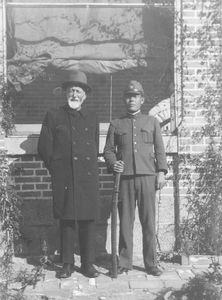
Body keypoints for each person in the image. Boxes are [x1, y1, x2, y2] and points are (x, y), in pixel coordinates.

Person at [38, 70, 100, 279]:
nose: (75, 94)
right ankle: (67, 263)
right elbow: (44, 148)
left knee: (87, 221)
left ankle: (88, 264)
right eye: (71, 90)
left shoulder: (92, 117)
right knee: (66, 220)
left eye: (79, 90)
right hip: (64, 177)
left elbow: (94, 147)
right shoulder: (54, 115)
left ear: (85, 95)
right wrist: (56, 170)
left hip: (87, 178)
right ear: (66, 93)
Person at [103, 80, 168, 276]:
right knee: (125, 221)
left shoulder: (152, 122)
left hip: (148, 177)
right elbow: (107, 151)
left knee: (148, 221)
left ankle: (151, 263)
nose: (132, 99)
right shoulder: (116, 123)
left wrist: (162, 172)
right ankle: (124, 262)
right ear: (125, 99)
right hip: (125, 179)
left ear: (142, 99)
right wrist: (114, 163)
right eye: (128, 96)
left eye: (136, 96)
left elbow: (160, 150)